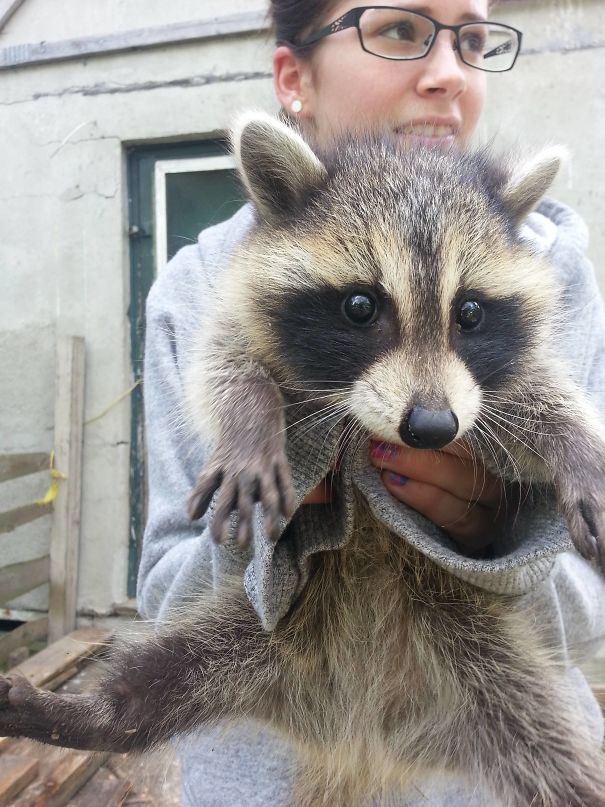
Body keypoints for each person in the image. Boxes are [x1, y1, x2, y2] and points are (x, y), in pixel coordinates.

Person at [138, 2, 605, 804]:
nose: (448, 73)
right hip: (276, 763)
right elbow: (167, 597)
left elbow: (588, 613)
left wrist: (499, 537)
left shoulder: (546, 273)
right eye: (398, 31)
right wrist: (263, 516)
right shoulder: (196, 288)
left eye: (471, 40)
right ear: (294, 78)